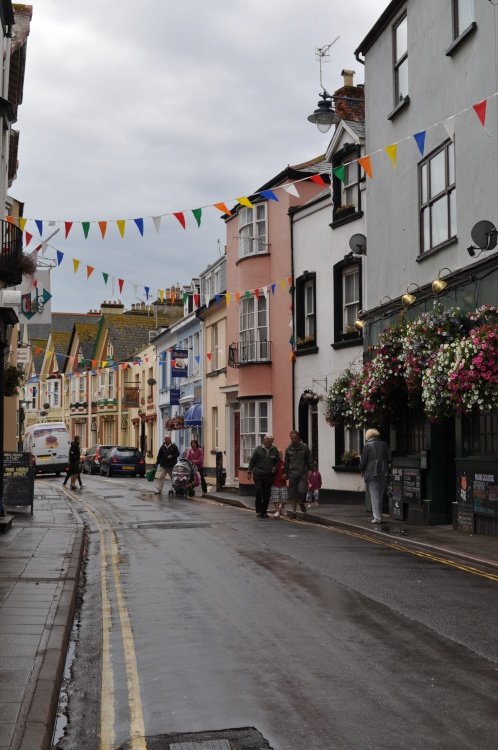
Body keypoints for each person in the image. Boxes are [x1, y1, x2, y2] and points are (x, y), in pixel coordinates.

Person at [360, 428, 391, 524]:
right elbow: (390, 458)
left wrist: (361, 469)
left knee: (375, 496)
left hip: (372, 474)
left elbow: (363, 462)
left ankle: (377, 518)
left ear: (368, 436)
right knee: (379, 496)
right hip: (384, 472)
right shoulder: (384, 444)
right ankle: (379, 515)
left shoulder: (367, 446)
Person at [247, 433, 279, 518]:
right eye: (268, 441)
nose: (269, 443)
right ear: (264, 441)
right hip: (258, 474)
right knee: (258, 490)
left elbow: (277, 461)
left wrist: (274, 468)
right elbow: (252, 461)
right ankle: (258, 511)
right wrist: (249, 471)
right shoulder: (258, 449)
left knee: (266, 493)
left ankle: (264, 511)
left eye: (271, 442)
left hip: (268, 475)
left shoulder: (275, 450)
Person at [284, 430, 312, 517]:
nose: (293, 440)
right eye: (292, 438)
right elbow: (286, 462)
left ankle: (301, 502)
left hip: (303, 473)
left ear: (298, 437)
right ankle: (294, 512)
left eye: (295, 438)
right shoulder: (288, 448)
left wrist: (310, 469)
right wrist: (286, 473)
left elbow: (309, 459)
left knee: (301, 490)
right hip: (292, 474)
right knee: (293, 494)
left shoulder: (305, 447)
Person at [271, 451, 287, 518]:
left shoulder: (284, 463)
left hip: (283, 483)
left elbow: (287, 472)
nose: (281, 455)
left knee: (285, 498)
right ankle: (277, 511)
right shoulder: (273, 463)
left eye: (282, 454)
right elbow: (271, 472)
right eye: (280, 454)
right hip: (275, 483)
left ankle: (281, 508)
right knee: (275, 498)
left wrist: (286, 475)